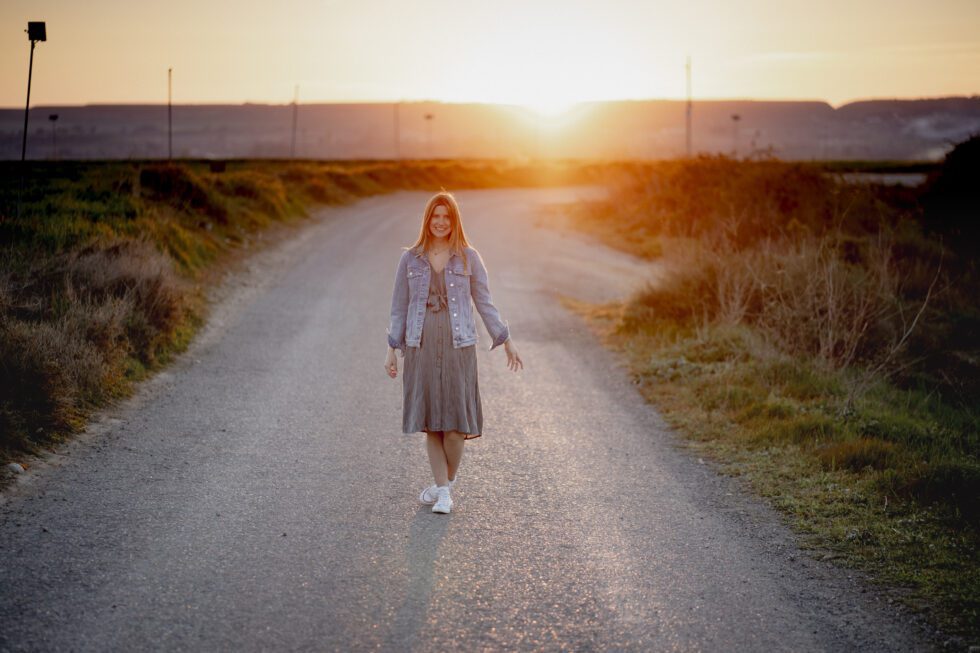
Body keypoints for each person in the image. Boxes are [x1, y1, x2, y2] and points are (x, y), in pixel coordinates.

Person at [385, 191, 523, 514]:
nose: (441, 222)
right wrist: (392, 348)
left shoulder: (468, 258)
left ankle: (443, 483)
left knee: (456, 425)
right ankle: (444, 494)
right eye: (436, 216)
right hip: (420, 344)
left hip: (459, 345)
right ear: (427, 220)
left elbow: (484, 302)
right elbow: (398, 308)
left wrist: (506, 338)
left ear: (454, 220)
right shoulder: (410, 259)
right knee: (432, 421)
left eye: (446, 217)